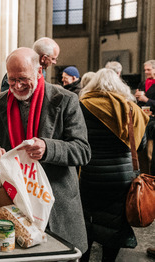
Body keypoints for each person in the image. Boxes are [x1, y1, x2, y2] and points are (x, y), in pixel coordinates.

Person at [0, 47, 91, 254]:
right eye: (11, 80)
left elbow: (82, 151)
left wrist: (48, 148)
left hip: (56, 204)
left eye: (23, 79)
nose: (17, 86)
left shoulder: (64, 100)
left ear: (39, 72)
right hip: (13, 202)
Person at [78, 68, 149, 262]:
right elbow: (141, 145)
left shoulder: (82, 105)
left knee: (87, 221)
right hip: (121, 177)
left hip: (90, 174)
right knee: (115, 223)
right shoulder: (131, 108)